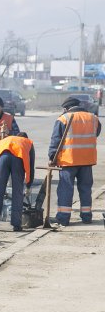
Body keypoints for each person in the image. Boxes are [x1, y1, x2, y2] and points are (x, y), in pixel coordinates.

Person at [48, 96, 101, 226]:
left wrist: (52, 157)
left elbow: (56, 140)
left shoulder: (63, 118)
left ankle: (63, 218)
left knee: (66, 189)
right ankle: (87, 216)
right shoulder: (93, 118)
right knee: (85, 189)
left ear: (66, 108)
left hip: (68, 161)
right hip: (87, 160)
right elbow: (96, 133)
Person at [0, 132, 35, 232]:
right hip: (18, 159)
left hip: (2, 158)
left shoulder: (5, 140)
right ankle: (17, 225)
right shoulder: (28, 142)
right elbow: (31, 166)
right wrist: (28, 186)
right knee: (17, 192)